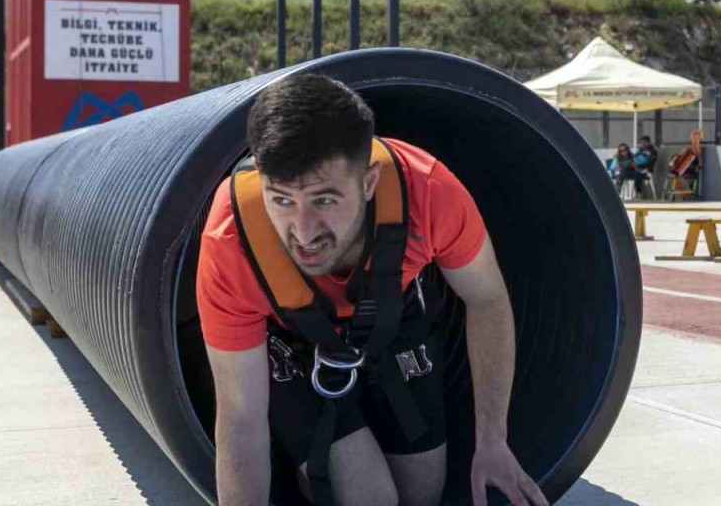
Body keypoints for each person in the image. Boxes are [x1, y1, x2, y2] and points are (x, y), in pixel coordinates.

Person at [197, 75, 547, 506]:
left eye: (324, 200)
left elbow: (486, 299)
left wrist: (493, 440)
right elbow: (240, 415)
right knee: (369, 497)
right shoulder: (232, 240)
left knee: (421, 495)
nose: (303, 232)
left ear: (367, 182)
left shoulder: (428, 192)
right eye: (282, 200)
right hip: (288, 340)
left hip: (390, 317)